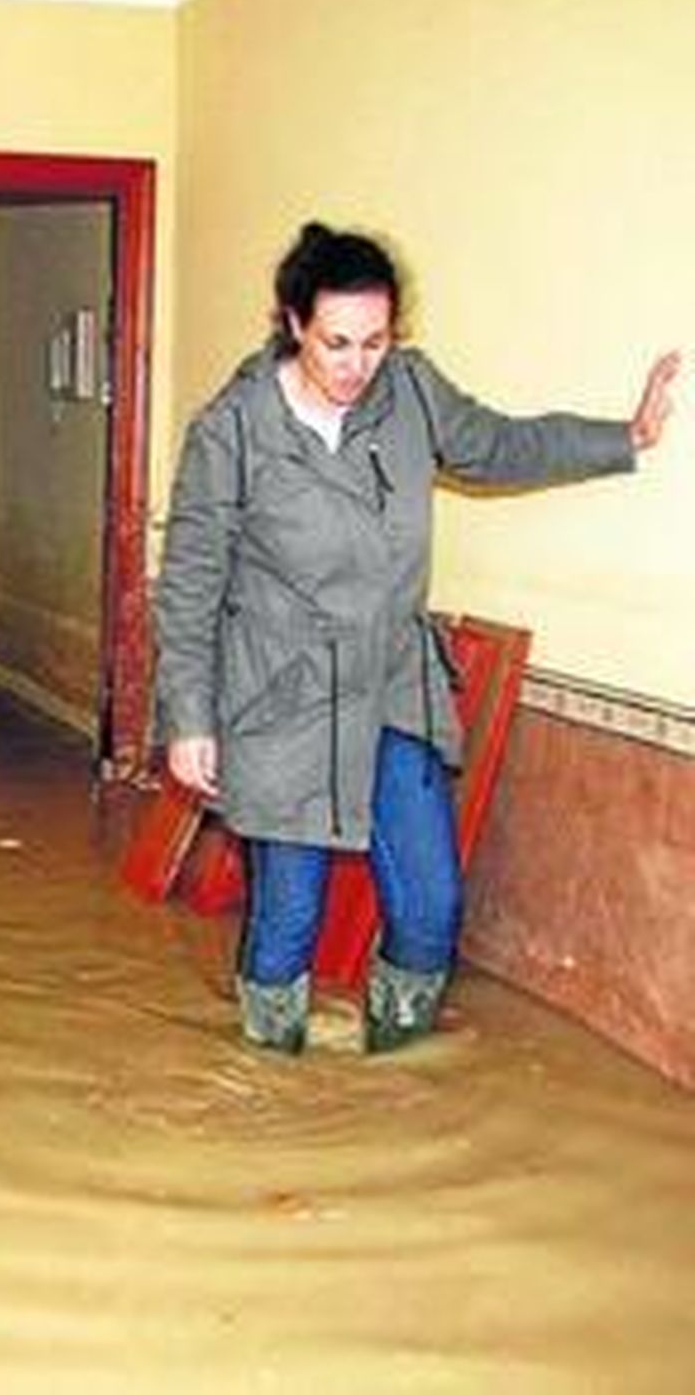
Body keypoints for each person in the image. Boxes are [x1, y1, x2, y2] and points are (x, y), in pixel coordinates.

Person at [153, 221, 680, 1055]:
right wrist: (188, 719)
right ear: (292, 323)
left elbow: (500, 443)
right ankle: (267, 1100)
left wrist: (624, 437)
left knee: (431, 905)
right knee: (289, 915)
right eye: (336, 343)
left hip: (394, 685)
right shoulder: (233, 430)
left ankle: (396, 1073)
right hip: (283, 701)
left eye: (376, 341)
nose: (358, 364)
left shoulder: (411, 392)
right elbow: (189, 584)